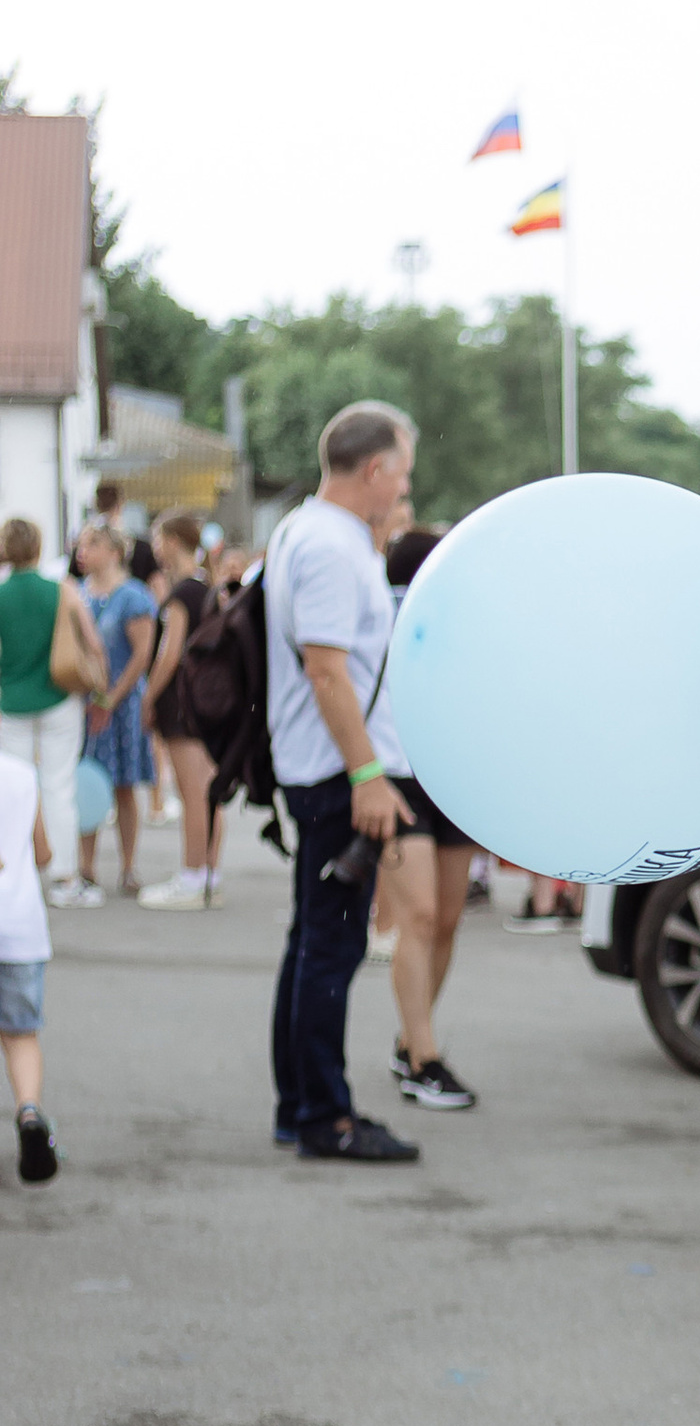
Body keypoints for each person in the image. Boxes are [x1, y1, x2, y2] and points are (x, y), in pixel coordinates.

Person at [264, 402, 424, 1165]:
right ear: (374, 469)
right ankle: (325, 1118)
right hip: (335, 771)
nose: (404, 487)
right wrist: (367, 774)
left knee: (312, 943)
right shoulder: (330, 546)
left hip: (320, 765)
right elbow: (326, 669)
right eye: (402, 471)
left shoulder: (307, 530)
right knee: (331, 947)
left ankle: (298, 1105)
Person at [373, 528, 480, 1108]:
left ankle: (407, 1040)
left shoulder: (459, 617)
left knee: (447, 919)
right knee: (418, 916)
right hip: (396, 777)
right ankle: (424, 1058)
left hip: (453, 779)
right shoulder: (379, 615)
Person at [0, 518, 95, 903]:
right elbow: (92, 642)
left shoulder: (1, 595)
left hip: (11, 703)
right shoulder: (62, 590)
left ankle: (15, 873)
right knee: (59, 786)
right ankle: (65, 877)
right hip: (59, 698)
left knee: (12, 791)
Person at [138, 515, 226, 908]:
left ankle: (192, 877)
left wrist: (147, 697)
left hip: (182, 703)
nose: (156, 547)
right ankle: (208, 873)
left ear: (173, 542)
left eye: (159, 539)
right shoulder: (208, 589)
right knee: (208, 795)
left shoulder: (179, 596)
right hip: (209, 702)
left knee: (192, 794)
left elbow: (168, 653)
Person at [76, 525, 159, 898]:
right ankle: (85, 866)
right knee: (87, 781)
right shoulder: (77, 594)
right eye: (81, 544)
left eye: (92, 544)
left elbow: (142, 654)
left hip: (121, 704)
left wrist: (113, 695)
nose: (83, 551)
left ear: (113, 552)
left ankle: (128, 865)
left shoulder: (133, 596)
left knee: (124, 787)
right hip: (86, 703)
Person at [0, 739, 58, 1180]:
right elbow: (43, 853)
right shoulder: (22, 775)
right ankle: (30, 1113)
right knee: (20, 1034)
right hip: (20, 927)